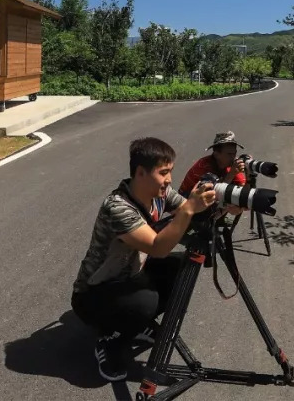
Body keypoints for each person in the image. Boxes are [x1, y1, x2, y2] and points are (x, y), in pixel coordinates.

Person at [71, 136, 216, 382]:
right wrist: (191, 208)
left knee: (181, 266)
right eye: (163, 173)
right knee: (146, 303)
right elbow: (158, 247)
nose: (169, 179)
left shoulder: (161, 194)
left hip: (131, 276)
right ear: (140, 173)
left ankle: (134, 323)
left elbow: (184, 213)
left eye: (170, 172)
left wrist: (218, 204)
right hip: (93, 293)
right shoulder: (117, 207)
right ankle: (110, 343)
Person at [177, 131, 250, 216]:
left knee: (235, 196)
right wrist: (231, 175)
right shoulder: (203, 166)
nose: (233, 157)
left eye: (234, 153)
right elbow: (212, 194)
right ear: (216, 154)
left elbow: (243, 190)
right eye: (229, 154)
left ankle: (216, 218)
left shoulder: (232, 165)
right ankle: (209, 221)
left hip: (208, 198)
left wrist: (249, 175)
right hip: (187, 199)